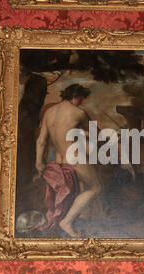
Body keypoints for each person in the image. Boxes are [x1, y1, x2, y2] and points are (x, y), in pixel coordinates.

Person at [34, 84, 102, 237]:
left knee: (70, 190)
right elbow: (98, 135)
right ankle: (67, 222)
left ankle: (63, 222)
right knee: (96, 187)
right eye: (81, 99)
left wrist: (39, 162)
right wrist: (83, 132)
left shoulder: (49, 112)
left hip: (59, 159)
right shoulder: (79, 112)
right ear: (76, 96)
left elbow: (41, 141)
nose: (81, 102)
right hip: (75, 156)